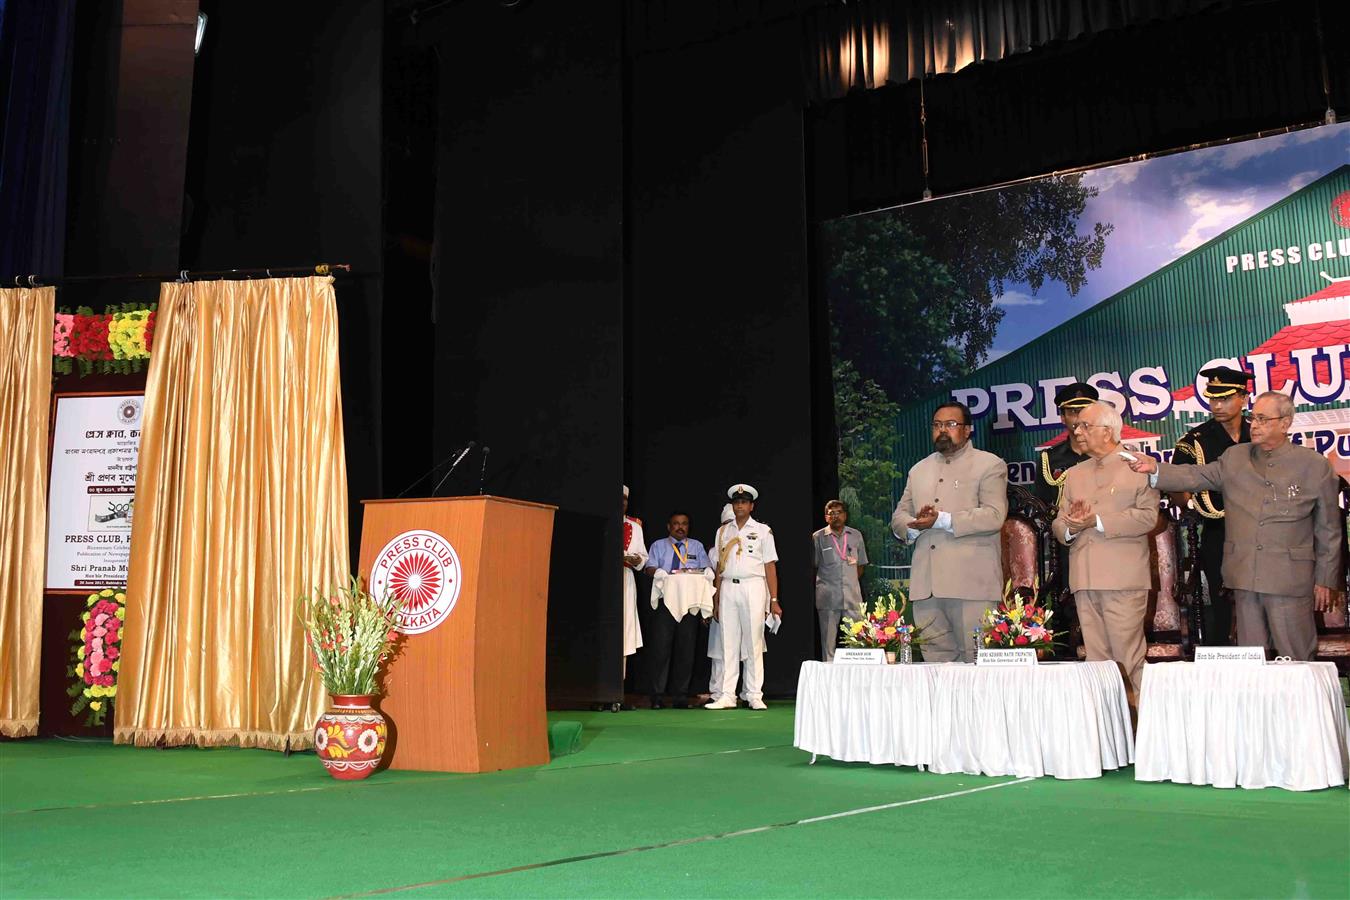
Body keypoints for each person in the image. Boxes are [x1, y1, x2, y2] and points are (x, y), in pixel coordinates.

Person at [1127, 391, 1342, 660]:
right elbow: (1195, 475)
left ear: (1285, 423)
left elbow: (1329, 530)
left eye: (1264, 419)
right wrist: (1155, 469)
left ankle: (1305, 703)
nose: (1255, 424)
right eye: (1254, 418)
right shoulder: (1235, 458)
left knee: (1297, 659)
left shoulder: (1314, 465)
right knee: (1252, 660)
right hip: (1244, 577)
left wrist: (1325, 580)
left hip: (1290, 577)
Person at [1052, 401, 1160, 703]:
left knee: (1128, 661)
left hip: (1122, 580)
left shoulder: (1137, 465)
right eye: (1076, 426)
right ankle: (1105, 732)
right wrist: (1072, 527)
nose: (1078, 431)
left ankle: (1144, 734)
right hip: (1084, 579)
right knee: (1097, 664)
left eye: (1086, 426)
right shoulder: (1074, 474)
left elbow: (1148, 518)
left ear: (1109, 431)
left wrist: (1096, 521)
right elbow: (1059, 525)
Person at [892, 402, 1007, 663]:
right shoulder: (918, 470)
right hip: (926, 588)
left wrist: (941, 520)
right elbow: (899, 516)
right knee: (937, 673)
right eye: (937, 425)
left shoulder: (990, 465)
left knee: (978, 667)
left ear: (968, 430)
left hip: (972, 586)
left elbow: (994, 515)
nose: (943, 430)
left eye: (951, 424)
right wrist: (913, 528)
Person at [1170, 366, 1252, 645]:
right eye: (1212, 399)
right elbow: (1176, 485)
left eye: (1225, 398)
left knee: (1264, 601)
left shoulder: (1261, 433)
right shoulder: (1194, 441)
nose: (1217, 405)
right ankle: (1224, 663)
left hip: (1264, 531)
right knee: (1221, 603)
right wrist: (1188, 502)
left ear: (1244, 397)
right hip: (1219, 530)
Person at [707, 484, 781, 710]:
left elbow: (770, 566)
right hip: (729, 586)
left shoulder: (762, 531)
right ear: (732, 505)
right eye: (736, 502)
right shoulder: (723, 532)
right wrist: (716, 598)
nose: (739, 505)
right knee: (728, 642)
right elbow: (720, 567)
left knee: (753, 642)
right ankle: (727, 694)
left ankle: (753, 693)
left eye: (744, 502)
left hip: (753, 586)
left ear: (751, 506)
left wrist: (774, 600)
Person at [643, 511, 712, 709]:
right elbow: (649, 567)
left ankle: (680, 695)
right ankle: (657, 696)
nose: (680, 527)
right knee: (660, 651)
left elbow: (706, 568)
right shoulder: (658, 545)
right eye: (676, 524)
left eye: (684, 524)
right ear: (669, 526)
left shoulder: (697, 546)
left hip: (689, 605)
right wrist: (658, 572)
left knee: (686, 651)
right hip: (666, 603)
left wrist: (707, 572)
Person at [812, 500, 868, 662]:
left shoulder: (856, 535)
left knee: (858, 641)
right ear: (826, 517)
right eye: (832, 513)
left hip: (852, 597)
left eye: (839, 512)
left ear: (845, 515)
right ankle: (828, 679)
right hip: (828, 597)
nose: (835, 516)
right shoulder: (818, 537)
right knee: (828, 643)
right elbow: (814, 565)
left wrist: (849, 581)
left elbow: (861, 565)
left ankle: (858, 675)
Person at [1033, 382, 1099, 511]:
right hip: (1063, 527)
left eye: (1086, 411)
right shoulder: (1049, 458)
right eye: (1074, 412)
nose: (1081, 418)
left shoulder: (1108, 453)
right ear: (1063, 418)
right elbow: (1042, 505)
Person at [704, 503, 733, 702]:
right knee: (718, 650)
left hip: (744, 599)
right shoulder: (714, 551)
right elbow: (709, 580)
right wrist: (710, 606)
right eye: (726, 523)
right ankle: (717, 692)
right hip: (720, 602)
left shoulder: (750, 545)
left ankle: (745, 693)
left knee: (744, 649)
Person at [621, 486, 646, 675]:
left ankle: (617, 689)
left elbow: (643, 556)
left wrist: (637, 559)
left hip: (626, 578)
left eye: (624, 499)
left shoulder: (634, 526)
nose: (622, 503)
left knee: (625, 630)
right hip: (605, 579)